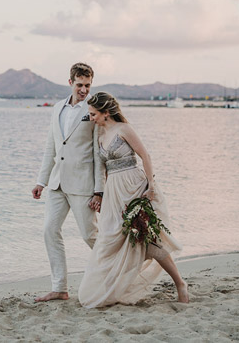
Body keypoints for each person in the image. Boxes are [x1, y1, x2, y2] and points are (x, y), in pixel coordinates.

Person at [78, 91, 189, 308]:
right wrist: (101, 195)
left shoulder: (124, 129)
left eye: (93, 114)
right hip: (114, 193)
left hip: (134, 186)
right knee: (112, 241)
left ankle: (180, 283)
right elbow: (102, 169)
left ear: (106, 113)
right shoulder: (99, 135)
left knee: (148, 239)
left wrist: (151, 187)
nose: (91, 118)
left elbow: (145, 156)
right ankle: (113, 289)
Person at [31, 62, 104, 302]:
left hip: (83, 185)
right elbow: (51, 147)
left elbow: (97, 153)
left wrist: (99, 191)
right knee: (50, 230)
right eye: (80, 85)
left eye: (88, 85)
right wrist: (41, 181)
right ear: (70, 82)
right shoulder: (57, 108)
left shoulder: (94, 109)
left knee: (90, 235)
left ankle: (119, 269)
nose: (84, 90)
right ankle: (60, 288)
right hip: (56, 183)